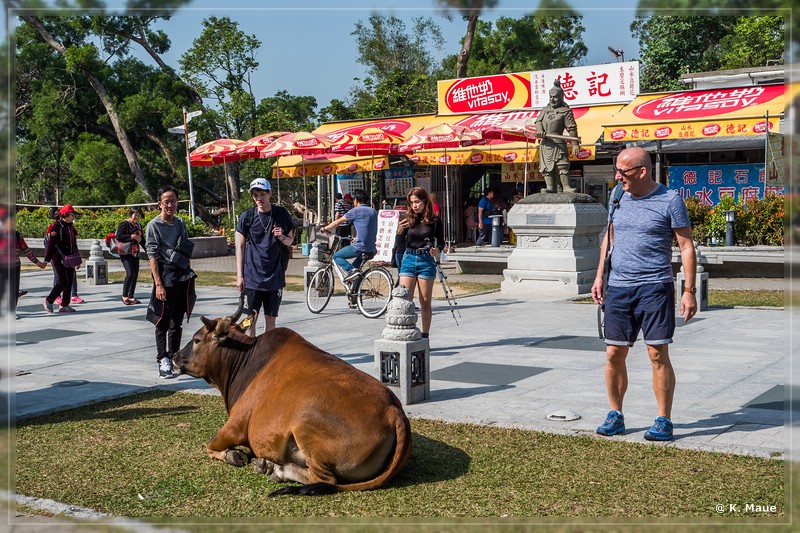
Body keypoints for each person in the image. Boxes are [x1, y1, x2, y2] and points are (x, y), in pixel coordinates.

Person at [590, 146, 697, 442]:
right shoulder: (617, 196)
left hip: (655, 287)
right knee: (613, 353)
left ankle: (664, 419)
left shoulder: (670, 200)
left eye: (623, 172)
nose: (617, 177)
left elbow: (686, 245)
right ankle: (616, 414)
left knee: (657, 353)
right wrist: (599, 276)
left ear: (642, 171)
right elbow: (609, 239)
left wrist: (688, 290)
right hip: (619, 287)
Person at [145, 185, 197, 379]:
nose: (170, 205)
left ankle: (174, 356)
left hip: (182, 275)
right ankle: (162, 359)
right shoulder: (154, 226)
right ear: (160, 204)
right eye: (166, 201)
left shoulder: (180, 223)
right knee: (162, 320)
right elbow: (152, 256)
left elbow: (185, 248)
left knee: (177, 321)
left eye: (173, 201)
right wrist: (158, 283)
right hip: (165, 276)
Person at [235, 177, 295, 335]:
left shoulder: (281, 214)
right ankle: (250, 354)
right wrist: (240, 276)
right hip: (252, 276)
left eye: (262, 194)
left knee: (270, 318)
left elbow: (290, 241)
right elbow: (240, 246)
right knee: (250, 319)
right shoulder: (247, 216)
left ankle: (267, 354)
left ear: (270, 193)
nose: (259, 199)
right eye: (255, 195)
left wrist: (282, 237)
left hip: (274, 275)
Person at [394, 186, 444, 339]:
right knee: (403, 299)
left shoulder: (434, 220)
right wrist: (399, 231)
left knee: (425, 301)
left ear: (424, 201)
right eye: (411, 203)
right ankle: (404, 332)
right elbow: (399, 244)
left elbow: (441, 242)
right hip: (409, 258)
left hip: (426, 260)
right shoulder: (407, 219)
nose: (414, 206)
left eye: (417, 202)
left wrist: (437, 250)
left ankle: (425, 335)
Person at [321, 188, 377, 286]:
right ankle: (354, 294)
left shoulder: (355, 211)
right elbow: (367, 227)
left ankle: (352, 271)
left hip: (360, 247)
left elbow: (337, 221)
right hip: (371, 249)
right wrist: (357, 237)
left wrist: (325, 228)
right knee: (356, 272)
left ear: (356, 200)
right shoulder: (373, 211)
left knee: (336, 256)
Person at [534, 79, 580, 193]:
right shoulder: (544, 110)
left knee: (562, 165)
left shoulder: (566, 111)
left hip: (559, 142)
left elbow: (572, 128)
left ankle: (566, 187)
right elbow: (538, 121)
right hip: (546, 143)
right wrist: (540, 130)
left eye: (555, 97)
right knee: (546, 167)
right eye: (550, 96)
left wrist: (575, 144)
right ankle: (550, 187)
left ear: (561, 97)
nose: (552, 99)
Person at [0, 210, 47, 317]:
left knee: (14, 289)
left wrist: (37, 262)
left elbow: (26, 249)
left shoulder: (16, 235)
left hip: (15, 265)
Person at [42, 204, 81, 313]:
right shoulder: (56, 226)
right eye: (72, 214)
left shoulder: (71, 227)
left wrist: (77, 258)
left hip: (69, 258)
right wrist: (46, 260)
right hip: (58, 257)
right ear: (66, 215)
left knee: (69, 280)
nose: (74, 217)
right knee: (62, 281)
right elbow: (50, 244)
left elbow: (74, 244)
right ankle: (49, 300)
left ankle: (64, 305)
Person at [116, 207, 144, 305]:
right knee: (130, 273)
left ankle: (131, 296)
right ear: (130, 214)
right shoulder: (125, 224)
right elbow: (119, 236)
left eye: (139, 215)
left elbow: (142, 240)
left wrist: (149, 252)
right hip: (125, 252)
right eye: (135, 214)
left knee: (135, 274)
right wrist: (131, 236)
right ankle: (124, 296)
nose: (137, 217)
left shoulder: (138, 225)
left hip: (135, 252)